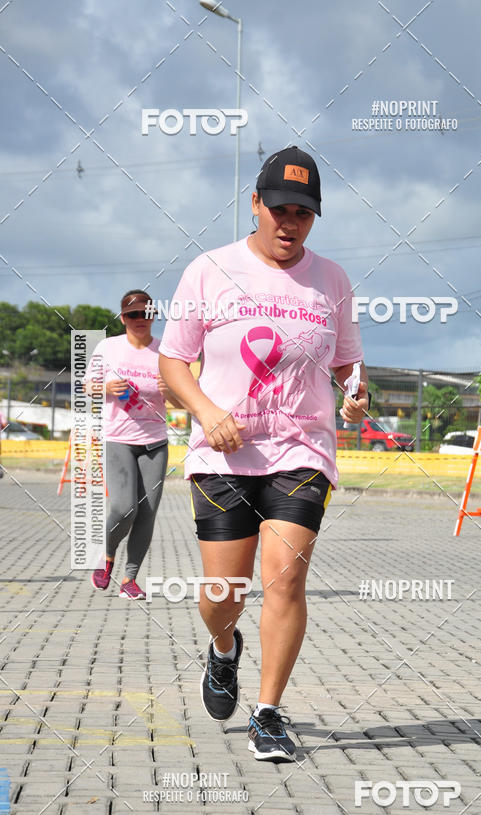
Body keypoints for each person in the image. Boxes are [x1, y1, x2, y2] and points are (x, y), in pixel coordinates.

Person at [159, 146, 368, 762]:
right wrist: (205, 410)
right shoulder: (209, 270)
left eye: (303, 212)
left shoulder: (331, 280)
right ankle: (225, 650)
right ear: (255, 205)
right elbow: (173, 360)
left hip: (301, 451)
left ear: (314, 217)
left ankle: (269, 712)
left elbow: (348, 365)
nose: (289, 222)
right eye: (278, 208)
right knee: (224, 591)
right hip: (222, 456)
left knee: (285, 578)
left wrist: (356, 396)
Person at [90, 290, 176, 599]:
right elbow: (87, 387)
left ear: (153, 316)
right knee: (124, 507)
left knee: (147, 513)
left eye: (145, 314)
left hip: (155, 442)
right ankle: (108, 555)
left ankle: (130, 579)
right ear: (123, 318)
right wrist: (106, 387)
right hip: (119, 440)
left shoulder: (166, 351)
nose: (139, 320)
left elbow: (180, 401)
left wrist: (171, 391)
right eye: (132, 315)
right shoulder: (108, 347)